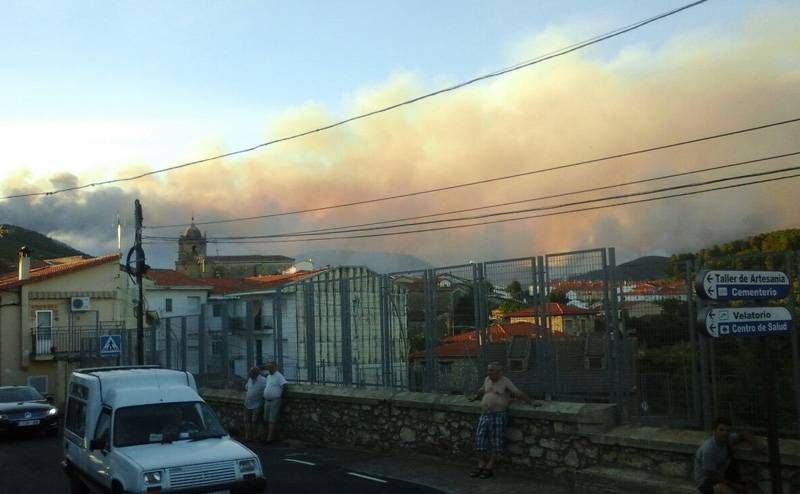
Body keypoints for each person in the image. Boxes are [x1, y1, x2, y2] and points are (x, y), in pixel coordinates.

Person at [468, 362, 541, 479]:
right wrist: (475, 396)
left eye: (492, 370)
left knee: (495, 442)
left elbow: (517, 393)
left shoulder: (505, 381)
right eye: (488, 370)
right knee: (479, 440)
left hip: (498, 415)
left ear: (499, 372)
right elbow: (482, 390)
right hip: (485, 414)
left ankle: (489, 468)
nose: (489, 372)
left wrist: (531, 402)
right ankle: (480, 465)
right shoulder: (487, 380)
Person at [694, 417, 762, 493]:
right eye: (721, 430)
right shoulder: (709, 450)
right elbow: (711, 476)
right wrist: (734, 485)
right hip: (706, 482)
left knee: (751, 485)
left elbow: (744, 433)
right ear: (714, 431)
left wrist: (756, 445)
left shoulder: (727, 440)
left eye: (728, 430)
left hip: (722, 476)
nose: (725, 433)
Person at [262, 361, 288, 444]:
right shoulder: (269, 376)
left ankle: (269, 438)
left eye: (271, 367)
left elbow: (284, 385)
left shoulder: (278, 375)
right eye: (268, 367)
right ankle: (272, 436)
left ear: (275, 367)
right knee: (266, 419)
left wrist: (282, 397)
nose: (269, 368)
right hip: (267, 401)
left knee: (272, 420)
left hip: (275, 400)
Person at [243, 366, 266, 441]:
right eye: (250, 374)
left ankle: (255, 437)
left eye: (252, 374)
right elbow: (246, 388)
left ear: (256, 373)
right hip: (247, 404)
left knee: (255, 421)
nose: (250, 375)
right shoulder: (250, 379)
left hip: (257, 404)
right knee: (247, 421)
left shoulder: (263, 380)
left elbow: (266, 390)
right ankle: (247, 437)